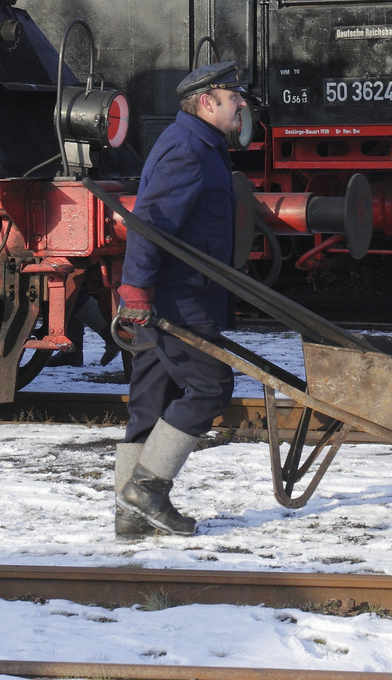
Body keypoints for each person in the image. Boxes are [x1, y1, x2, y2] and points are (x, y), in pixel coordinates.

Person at [110, 61, 248, 536]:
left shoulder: (198, 143)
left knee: (151, 398)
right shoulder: (190, 148)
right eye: (235, 97)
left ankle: (129, 514)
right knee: (210, 387)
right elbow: (151, 223)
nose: (242, 104)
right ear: (207, 102)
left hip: (170, 294)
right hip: (177, 296)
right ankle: (146, 490)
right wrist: (135, 288)